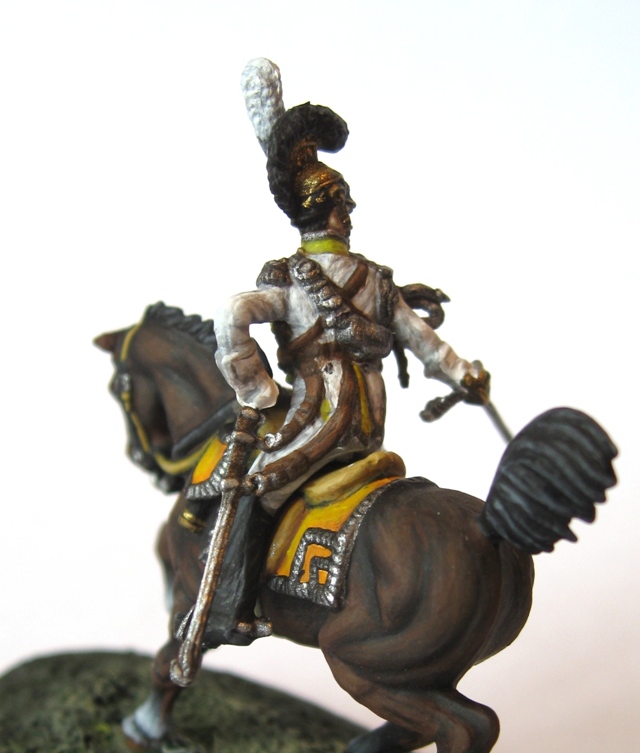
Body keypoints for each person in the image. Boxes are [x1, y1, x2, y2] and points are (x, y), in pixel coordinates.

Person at [202, 60, 489, 648]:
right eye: (344, 206)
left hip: (324, 420)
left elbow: (232, 313)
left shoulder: (288, 279)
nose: (349, 215)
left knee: (255, 487)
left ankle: (233, 611)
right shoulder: (377, 281)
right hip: (370, 422)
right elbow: (423, 342)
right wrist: (464, 376)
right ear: (329, 209)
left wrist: (257, 389)